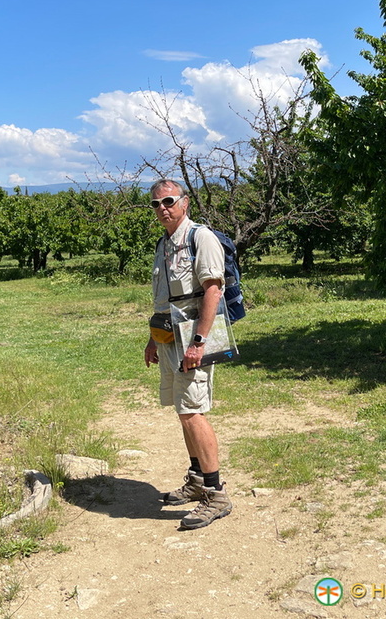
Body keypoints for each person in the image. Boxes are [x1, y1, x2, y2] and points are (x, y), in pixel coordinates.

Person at [144, 178, 233, 529]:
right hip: (168, 336)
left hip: (194, 336)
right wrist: (153, 339)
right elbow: (164, 298)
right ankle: (197, 481)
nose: (162, 208)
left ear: (184, 202)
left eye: (168, 201)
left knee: (194, 411)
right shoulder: (164, 244)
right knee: (184, 411)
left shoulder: (200, 237)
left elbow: (213, 291)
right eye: (156, 204)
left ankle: (216, 494)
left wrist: (200, 341)